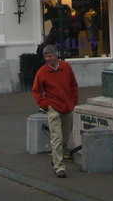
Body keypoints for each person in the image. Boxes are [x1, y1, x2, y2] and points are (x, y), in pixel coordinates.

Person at [32, 44, 79, 178]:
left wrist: (74, 100)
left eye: (50, 56)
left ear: (56, 55)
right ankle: (59, 166)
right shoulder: (42, 72)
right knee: (56, 137)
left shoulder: (66, 67)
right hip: (53, 107)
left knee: (65, 137)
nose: (48, 59)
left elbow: (73, 85)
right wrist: (44, 104)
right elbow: (36, 90)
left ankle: (56, 158)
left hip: (67, 105)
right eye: (45, 57)